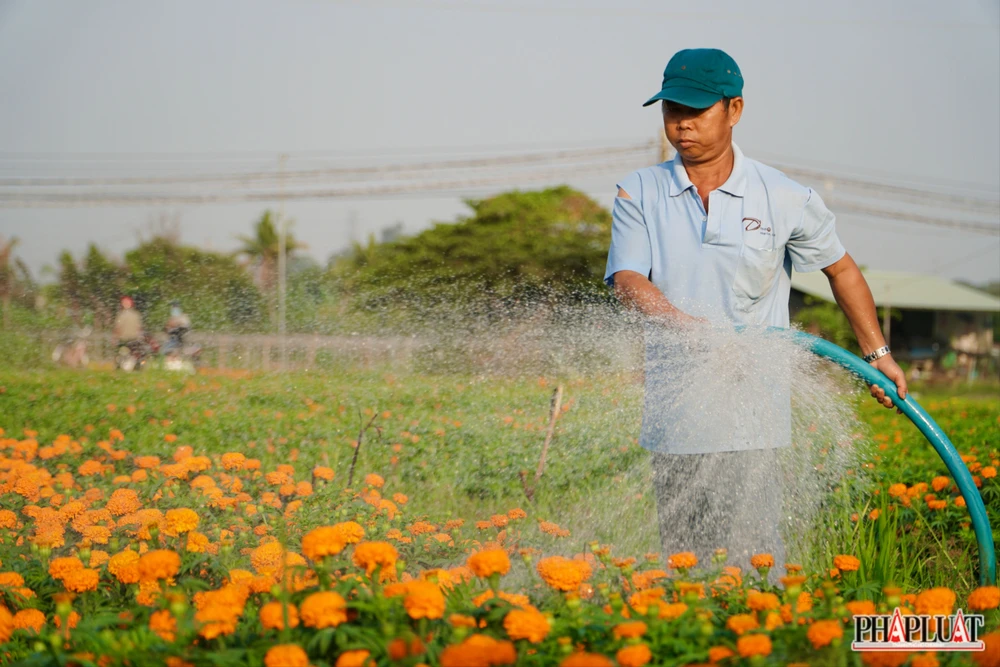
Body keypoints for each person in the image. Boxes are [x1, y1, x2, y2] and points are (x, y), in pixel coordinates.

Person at [604, 48, 908, 577]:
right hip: (674, 409)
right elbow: (628, 279)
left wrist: (876, 353)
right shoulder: (640, 191)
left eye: (696, 111)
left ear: (735, 110)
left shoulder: (783, 196)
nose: (682, 125)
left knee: (752, 559)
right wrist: (693, 331)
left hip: (751, 412)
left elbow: (842, 271)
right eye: (672, 110)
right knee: (683, 560)